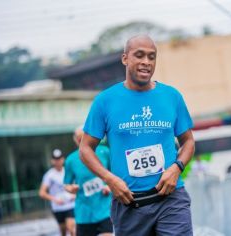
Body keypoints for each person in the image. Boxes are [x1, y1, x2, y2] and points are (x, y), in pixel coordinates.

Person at [80, 35, 195, 236]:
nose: (146, 62)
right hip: (129, 205)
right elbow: (85, 149)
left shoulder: (171, 96)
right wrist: (110, 179)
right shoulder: (105, 101)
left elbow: (188, 141)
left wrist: (177, 168)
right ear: (125, 59)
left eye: (152, 57)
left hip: (171, 200)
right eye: (139, 55)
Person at [64, 127, 113, 236]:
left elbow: (115, 174)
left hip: (104, 209)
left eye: (83, 137)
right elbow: (66, 184)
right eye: (78, 138)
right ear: (75, 140)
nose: (81, 140)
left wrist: (109, 187)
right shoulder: (71, 160)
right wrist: (71, 188)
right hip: (84, 213)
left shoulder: (104, 151)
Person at [39, 149, 75, 236]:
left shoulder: (68, 171)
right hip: (58, 208)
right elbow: (42, 193)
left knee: (71, 228)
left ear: (63, 159)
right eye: (55, 159)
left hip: (70, 205)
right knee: (63, 231)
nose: (58, 161)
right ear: (52, 161)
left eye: (59, 158)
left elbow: (74, 185)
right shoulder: (49, 175)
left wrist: (74, 194)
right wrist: (54, 199)